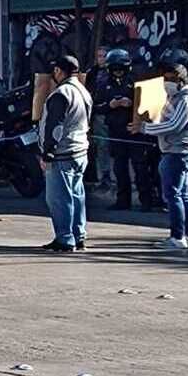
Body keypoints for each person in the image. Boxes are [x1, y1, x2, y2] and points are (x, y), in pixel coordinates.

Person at [130, 60, 188, 250]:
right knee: (183, 194)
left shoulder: (187, 100)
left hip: (177, 153)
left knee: (173, 195)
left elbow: (173, 125)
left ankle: (178, 237)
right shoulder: (176, 97)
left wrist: (144, 127)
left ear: (180, 80)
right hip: (176, 152)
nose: (165, 83)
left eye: (169, 79)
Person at [38, 55, 93, 253]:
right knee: (77, 195)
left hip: (63, 153)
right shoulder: (83, 91)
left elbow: (55, 126)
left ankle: (65, 238)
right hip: (80, 150)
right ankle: (79, 235)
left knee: (59, 199)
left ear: (59, 71)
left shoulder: (62, 94)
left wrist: (48, 153)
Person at [94, 48, 153, 211]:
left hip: (134, 130)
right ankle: (122, 200)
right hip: (115, 131)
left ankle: (146, 201)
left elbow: (150, 105)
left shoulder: (136, 82)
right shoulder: (103, 83)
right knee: (119, 167)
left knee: (140, 166)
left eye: (121, 69)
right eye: (115, 69)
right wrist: (110, 105)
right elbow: (96, 107)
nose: (118, 73)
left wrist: (131, 103)